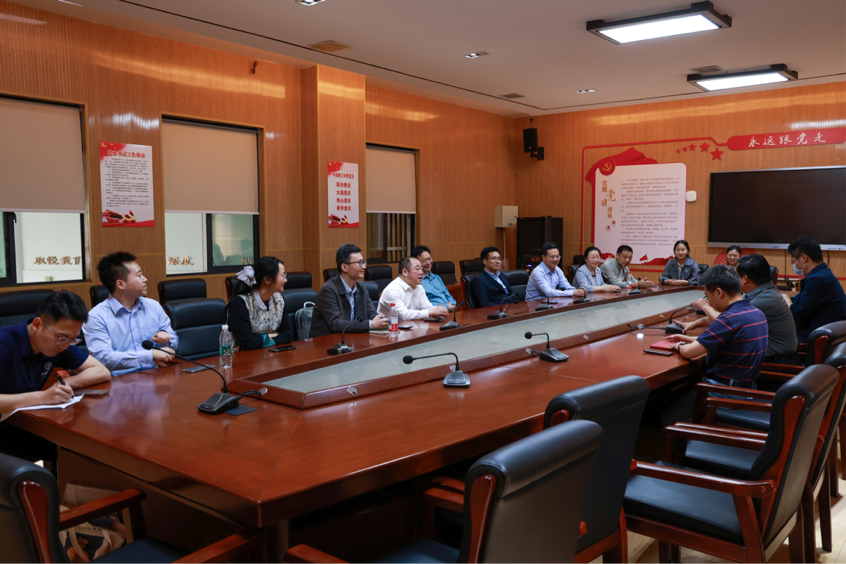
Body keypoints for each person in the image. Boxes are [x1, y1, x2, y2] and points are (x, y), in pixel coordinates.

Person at [0, 291, 110, 464]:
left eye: (73, 339)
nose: (65, 346)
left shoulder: (58, 343)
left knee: (81, 449)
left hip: (21, 423)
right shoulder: (4, 344)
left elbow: (101, 371)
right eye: (61, 337)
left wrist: (64, 384)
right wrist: (42, 397)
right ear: (37, 324)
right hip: (6, 428)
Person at [661, 265, 768, 425]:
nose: (709, 302)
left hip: (724, 391)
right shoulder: (756, 313)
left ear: (719, 292)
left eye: (708, 296)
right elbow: (729, 341)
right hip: (747, 389)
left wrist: (678, 346)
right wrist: (689, 339)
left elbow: (689, 352)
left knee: (669, 417)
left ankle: (705, 436)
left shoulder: (728, 319)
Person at [678, 255, 799, 364]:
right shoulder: (763, 292)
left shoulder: (764, 300)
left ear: (745, 279)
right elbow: (726, 317)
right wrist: (695, 324)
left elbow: (726, 320)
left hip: (777, 363)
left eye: (736, 276)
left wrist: (705, 306)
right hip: (765, 358)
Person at [83, 252, 179, 376]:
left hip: (155, 375)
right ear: (120, 284)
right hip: (118, 381)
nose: (145, 279)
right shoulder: (96, 317)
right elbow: (103, 358)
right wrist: (149, 355)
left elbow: (174, 341)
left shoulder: (153, 306)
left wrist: (165, 340)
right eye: (139, 275)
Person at [310, 244, 390, 338]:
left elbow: (371, 314)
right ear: (344, 267)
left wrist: (380, 319)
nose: (364, 266)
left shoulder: (361, 287)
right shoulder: (328, 290)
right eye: (359, 263)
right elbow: (336, 324)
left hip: (354, 339)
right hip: (328, 341)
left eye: (363, 262)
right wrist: (370, 324)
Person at [786, 237, 846, 343]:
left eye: (793, 262)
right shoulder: (822, 274)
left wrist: (785, 300)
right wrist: (787, 299)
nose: (793, 266)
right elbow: (799, 301)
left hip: (816, 340)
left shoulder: (818, 279)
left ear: (803, 258)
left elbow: (796, 313)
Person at [228, 257, 293, 350]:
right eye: (282, 275)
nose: (285, 280)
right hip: (245, 357)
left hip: (272, 354)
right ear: (267, 279)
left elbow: (288, 335)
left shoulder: (279, 300)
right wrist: (272, 335)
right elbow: (246, 342)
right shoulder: (241, 303)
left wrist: (264, 341)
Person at [378, 257, 450, 321]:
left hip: (413, 327)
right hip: (391, 330)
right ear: (405, 272)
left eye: (421, 269)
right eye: (417, 269)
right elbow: (403, 315)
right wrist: (430, 312)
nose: (421, 273)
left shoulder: (419, 287)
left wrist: (438, 311)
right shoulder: (392, 290)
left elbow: (426, 307)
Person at [412, 245, 456, 311]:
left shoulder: (437, 278)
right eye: (424, 260)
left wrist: (452, 304)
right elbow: (424, 305)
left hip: (449, 311)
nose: (428, 262)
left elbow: (448, 295)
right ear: (416, 262)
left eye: (429, 259)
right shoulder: (416, 281)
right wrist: (446, 307)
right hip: (433, 314)